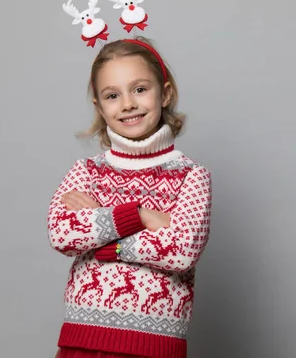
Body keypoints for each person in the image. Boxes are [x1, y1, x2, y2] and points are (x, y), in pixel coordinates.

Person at [47, 36, 212, 358]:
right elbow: (63, 234)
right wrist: (140, 216)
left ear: (165, 93)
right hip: (84, 340)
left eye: (140, 89)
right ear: (99, 106)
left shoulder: (191, 176)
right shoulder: (86, 171)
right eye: (112, 95)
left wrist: (105, 232)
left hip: (155, 345)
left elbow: (181, 252)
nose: (127, 104)